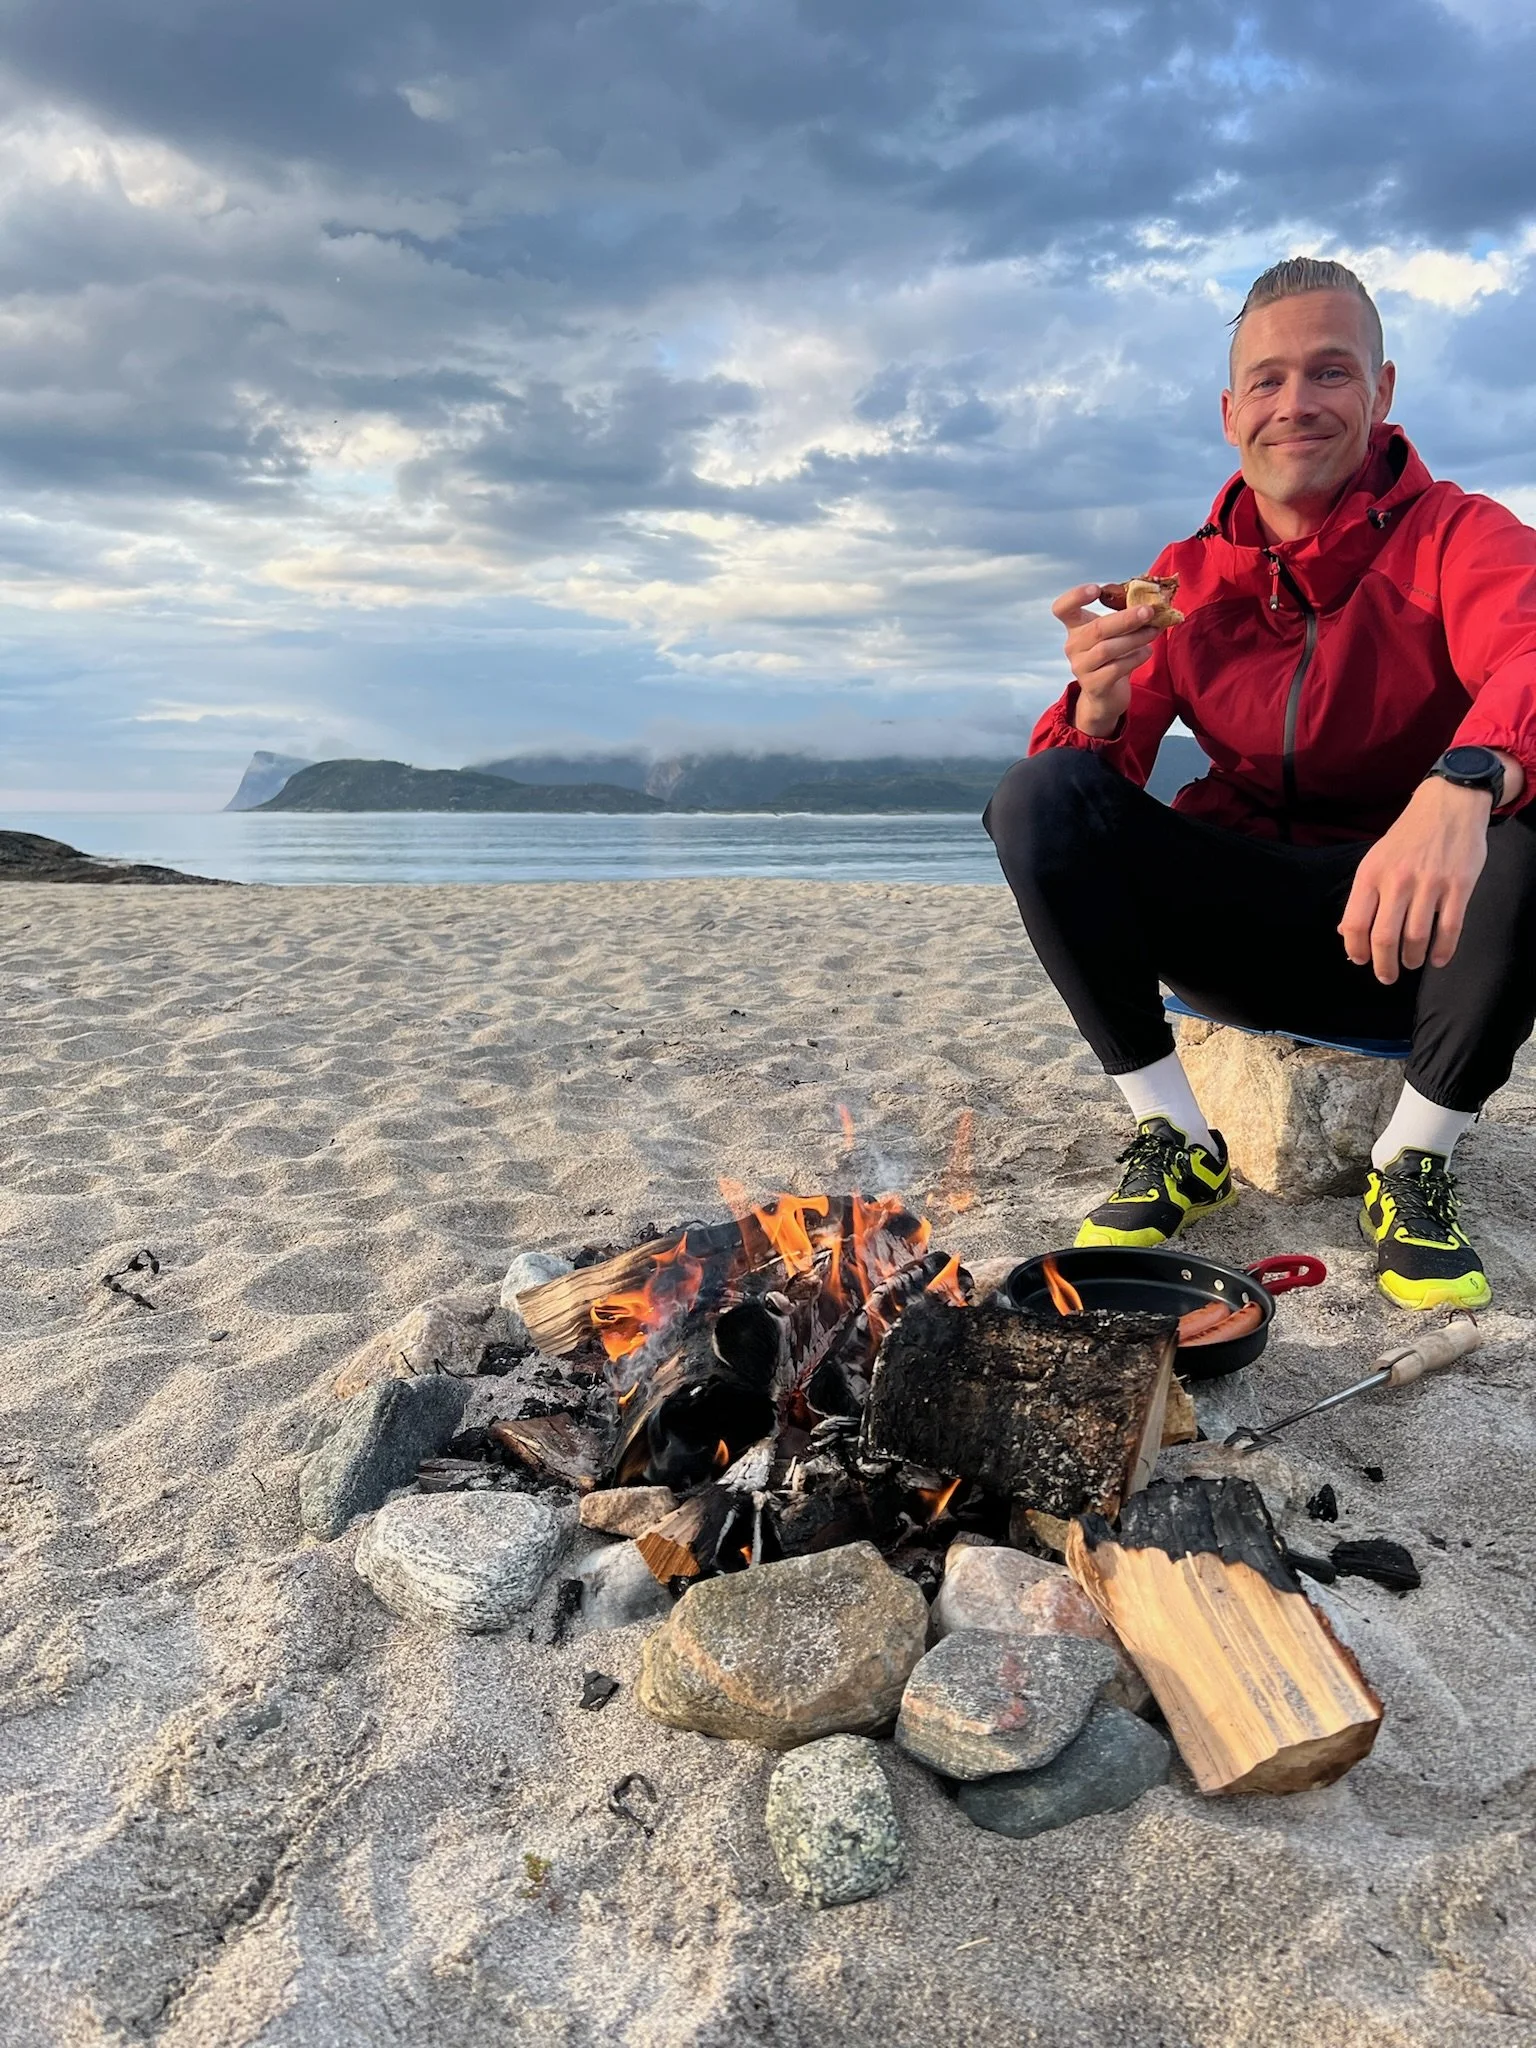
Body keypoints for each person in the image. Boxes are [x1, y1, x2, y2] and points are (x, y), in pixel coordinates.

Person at [985, 256, 1536, 1311]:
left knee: (1528, 812)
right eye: (1268, 380)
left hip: (1417, 947)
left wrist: (1464, 779)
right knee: (1037, 795)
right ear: (1230, 410)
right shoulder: (1184, 576)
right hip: (1237, 939)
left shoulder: (1459, 536)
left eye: (1331, 372)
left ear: (1381, 391)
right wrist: (1098, 708)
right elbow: (1087, 801)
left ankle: (1414, 1159)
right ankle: (1175, 1136)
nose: (1296, 404)